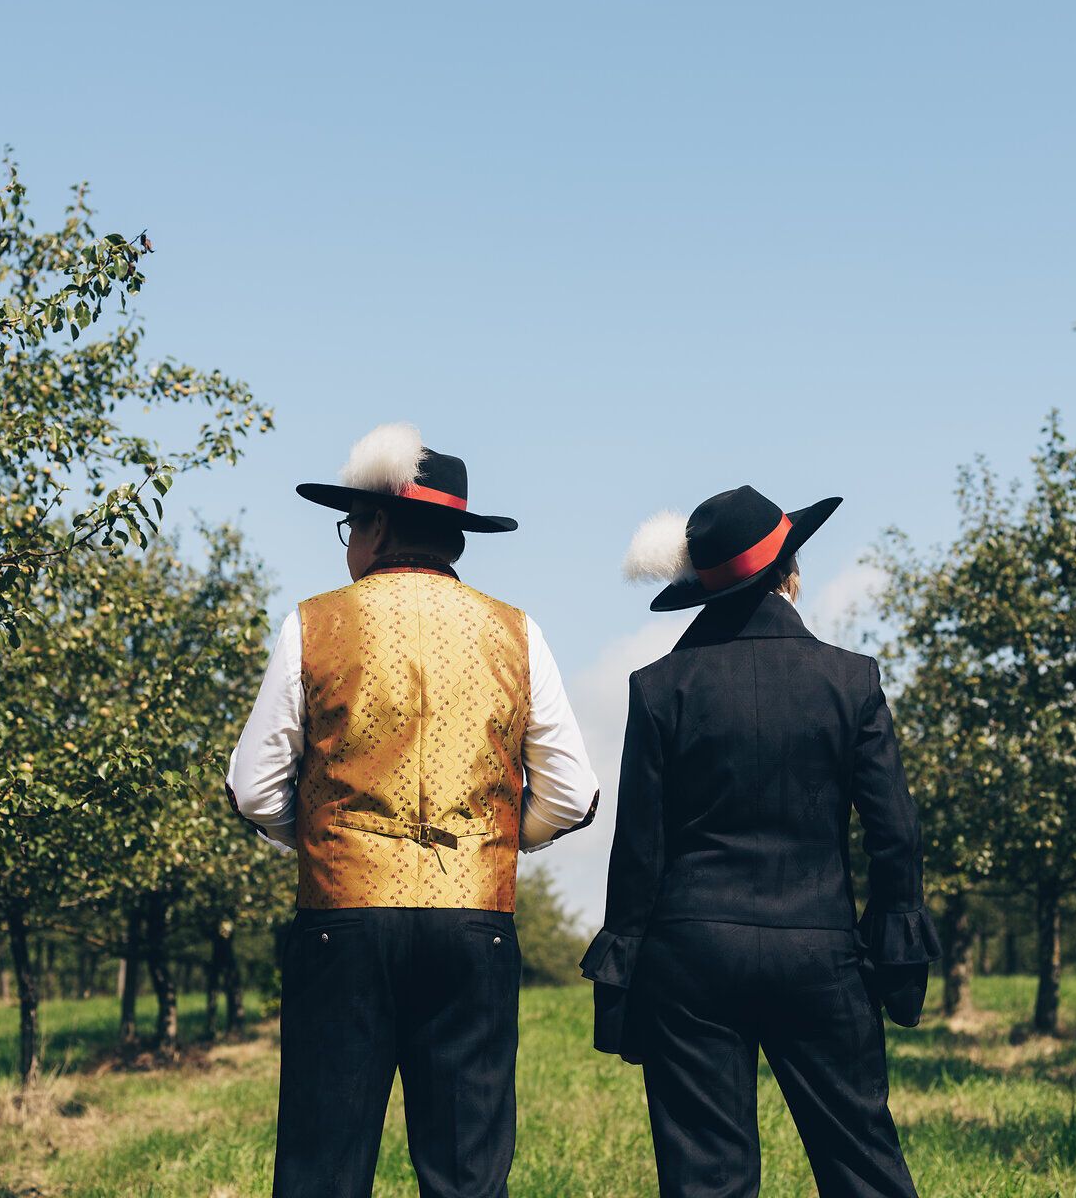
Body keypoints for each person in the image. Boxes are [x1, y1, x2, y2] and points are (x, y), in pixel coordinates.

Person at [227, 422, 601, 1198]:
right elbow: (572, 793)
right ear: (455, 537)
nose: (346, 544)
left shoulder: (314, 622)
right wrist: (502, 841)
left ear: (380, 525)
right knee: (467, 1170)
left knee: (323, 1168)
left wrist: (328, 841)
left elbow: (253, 788)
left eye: (351, 523)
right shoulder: (517, 633)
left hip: (343, 922)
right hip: (473, 923)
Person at [582, 485, 937, 1198]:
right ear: (791, 574)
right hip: (821, 954)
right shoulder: (851, 680)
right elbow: (895, 834)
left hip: (691, 960)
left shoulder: (659, 688)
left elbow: (639, 853)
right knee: (864, 1167)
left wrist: (623, 967)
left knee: (707, 1181)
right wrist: (891, 946)